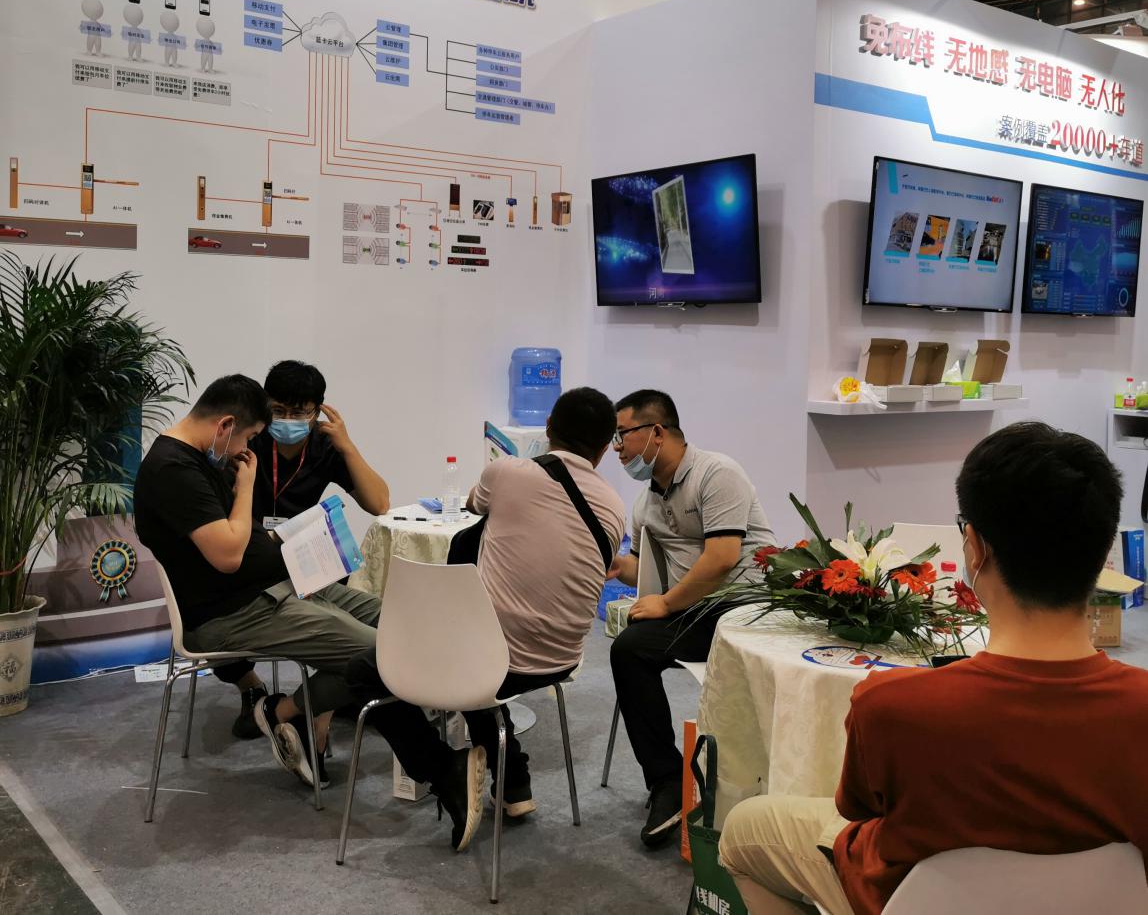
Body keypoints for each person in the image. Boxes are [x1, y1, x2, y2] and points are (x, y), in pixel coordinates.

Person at [718, 421, 1148, 915]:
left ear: (975, 547)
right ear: (1104, 554)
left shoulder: (890, 705)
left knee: (744, 831)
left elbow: (856, 811)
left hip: (901, 896)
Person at [345, 386, 625, 851]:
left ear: (548, 428)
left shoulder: (508, 471)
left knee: (365, 671)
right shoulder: (614, 506)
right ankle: (513, 782)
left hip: (493, 659)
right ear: (605, 448)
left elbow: (475, 505)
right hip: (562, 658)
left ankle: (445, 771)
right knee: (476, 653)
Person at [134, 374, 381, 790]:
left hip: (273, 586)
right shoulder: (175, 469)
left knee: (397, 623)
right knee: (382, 655)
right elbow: (229, 555)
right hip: (239, 607)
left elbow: (378, 501)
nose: (246, 448)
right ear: (226, 425)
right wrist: (246, 486)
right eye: (248, 437)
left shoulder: (197, 458)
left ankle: (291, 713)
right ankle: (286, 712)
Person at [608, 389, 774, 848]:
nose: (617, 448)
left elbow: (722, 558)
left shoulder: (717, 474)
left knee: (642, 634)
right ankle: (667, 781)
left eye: (623, 435)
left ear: (657, 432)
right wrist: (610, 563)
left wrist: (664, 604)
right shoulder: (645, 502)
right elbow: (640, 567)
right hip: (697, 611)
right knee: (629, 649)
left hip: (746, 606)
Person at [215, 359, 391, 739]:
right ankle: (252, 688)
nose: (287, 420)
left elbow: (379, 503)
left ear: (317, 413)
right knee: (222, 601)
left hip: (304, 560)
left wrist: (347, 446)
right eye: (278, 410)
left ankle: (321, 705)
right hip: (248, 559)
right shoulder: (249, 442)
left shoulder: (324, 447)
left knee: (357, 608)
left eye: (299, 413)